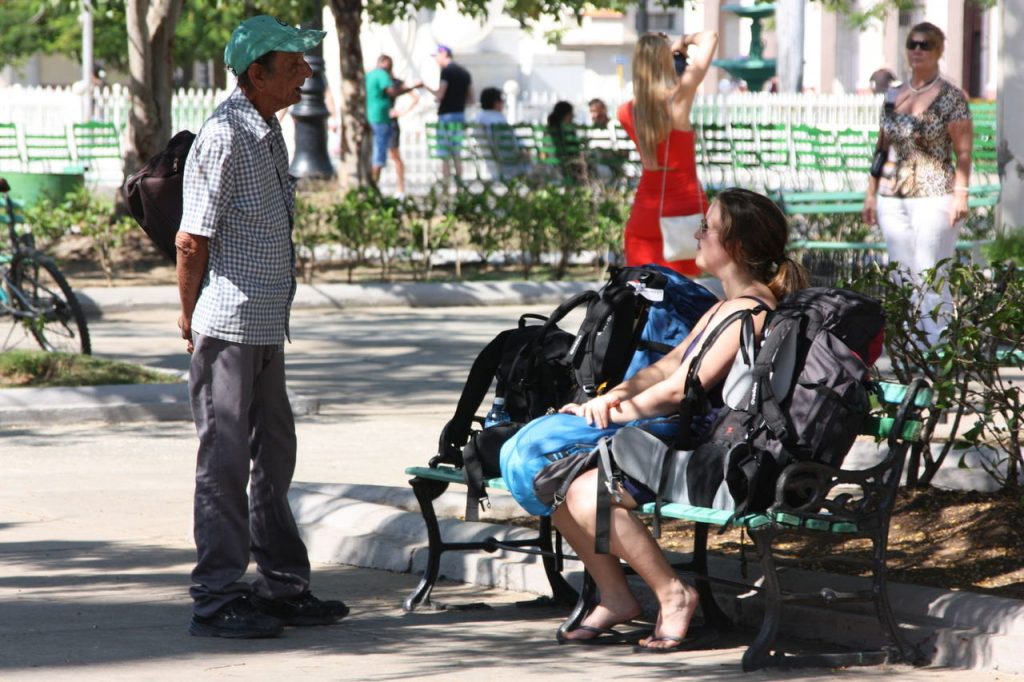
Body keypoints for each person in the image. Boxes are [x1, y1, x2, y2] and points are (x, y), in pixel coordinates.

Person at [550, 188, 808, 649]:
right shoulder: (723, 306)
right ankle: (616, 597)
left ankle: (675, 596)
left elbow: (682, 390)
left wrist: (610, 415)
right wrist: (605, 399)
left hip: (719, 463)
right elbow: (665, 367)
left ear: (738, 247)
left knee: (585, 493)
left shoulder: (750, 311)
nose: (698, 234)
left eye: (708, 227)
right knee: (556, 486)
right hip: (693, 448)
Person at [176, 15, 350, 639]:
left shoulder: (268, 130)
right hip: (226, 323)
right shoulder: (223, 135)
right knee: (222, 460)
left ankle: (279, 584)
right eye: (294, 64)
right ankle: (215, 598)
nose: (306, 73)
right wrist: (187, 312)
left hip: (267, 323)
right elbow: (192, 238)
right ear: (257, 73)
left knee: (273, 454)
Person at [861, 22, 972, 346]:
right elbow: (882, 146)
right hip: (892, 195)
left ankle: (936, 345)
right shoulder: (894, 94)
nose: (918, 51)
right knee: (901, 271)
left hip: (935, 194)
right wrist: (870, 193)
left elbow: (963, 152)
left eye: (925, 45)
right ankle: (911, 344)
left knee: (930, 270)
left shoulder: (952, 97)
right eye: (913, 44)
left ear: (938, 50)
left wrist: (961, 194)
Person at [617, 31, 719, 277]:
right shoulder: (679, 99)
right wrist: (682, 42)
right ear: (665, 61)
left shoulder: (625, 111)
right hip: (684, 210)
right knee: (680, 295)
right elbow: (710, 37)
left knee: (641, 295)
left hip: (646, 210)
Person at [366, 55, 421, 191]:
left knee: (383, 155)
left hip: (372, 119)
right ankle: (374, 189)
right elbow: (393, 92)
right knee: (379, 156)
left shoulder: (369, 75)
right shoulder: (383, 75)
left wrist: (401, 111)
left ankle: (398, 188)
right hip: (381, 119)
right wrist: (413, 86)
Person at [423, 45, 473, 187]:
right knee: (456, 153)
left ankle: (446, 187)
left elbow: (440, 94)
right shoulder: (464, 73)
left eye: (437, 56)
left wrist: (426, 87)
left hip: (446, 117)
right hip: (460, 116)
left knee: (445, 154)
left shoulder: (447, 72)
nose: (436, 60)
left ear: (443, 54)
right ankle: (459, 187)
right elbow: (471, 99)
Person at [475, 86, 526, 180]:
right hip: (508, 164)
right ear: (496, 103)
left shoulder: (478, 119)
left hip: (490, 164)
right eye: (502, 101)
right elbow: (513, 145)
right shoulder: (499, 120)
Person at [387, 68, 421, 198]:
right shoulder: (376, 80)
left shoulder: (396, 83)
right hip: (378, 121)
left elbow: (415, 97)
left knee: (395, 156)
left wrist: (401, 111)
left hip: (391, 122)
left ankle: (400, 189)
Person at [545, 100, 585, 183]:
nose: (573, 116)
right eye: (571, 114)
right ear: (565, 115)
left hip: (552, 168)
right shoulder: (568, 130)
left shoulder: (548, 130)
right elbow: (576, 152)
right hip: (569, 169)